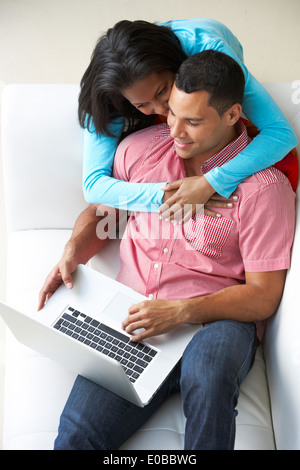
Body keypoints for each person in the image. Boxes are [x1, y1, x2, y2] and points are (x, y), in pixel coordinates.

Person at [42, 50, 295, 450]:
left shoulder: (265, 189)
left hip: (217, 322)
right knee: (76, 434)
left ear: (232, 115)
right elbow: (102, 215)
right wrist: (74, 249)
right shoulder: (140, 150)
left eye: (193, 121)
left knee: (209, 378)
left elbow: (264, 295)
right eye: (172, 113)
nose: (175, 131)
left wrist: (182, 312)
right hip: (136, 317)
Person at [80, 18, 298, 221]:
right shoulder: (109, 94)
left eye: (161, 91)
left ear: (173, 67)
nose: (161, 110)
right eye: (141, 104)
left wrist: (210, 183)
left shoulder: (209, 50)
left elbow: (280, 134)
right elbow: (93, 186)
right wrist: (170, 194)